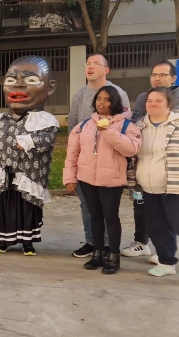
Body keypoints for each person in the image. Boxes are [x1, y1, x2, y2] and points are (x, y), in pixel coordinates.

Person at [64, 85, 141, 274]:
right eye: (99, 99)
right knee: (95, 217)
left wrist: (107, 131)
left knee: (111, 218)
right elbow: (72, 153)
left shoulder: (126, 126)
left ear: (114, 102)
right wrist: (70, 178)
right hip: (87, 179)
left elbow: (131, 149)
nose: (101, 102)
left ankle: (113, 256)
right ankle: (97, 253)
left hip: (111, 180)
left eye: (106, 99)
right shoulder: (83, 125)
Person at [0, 56, 59, 256]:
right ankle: (5, 240)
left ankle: (28, 242)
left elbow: (45, 142)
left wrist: (28, 142)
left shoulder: (46, 121)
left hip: (31, 175)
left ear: (50, 87)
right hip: (8, 174)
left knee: (29, 207)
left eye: (30, 80)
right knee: (7, 206)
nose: (18, 85)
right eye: (11, 80)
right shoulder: (0, 121)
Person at [68, 53, 130, 258]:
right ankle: (92, 243)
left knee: (109, 211)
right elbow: (73, 131)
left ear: (106, 70)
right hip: (86, 163)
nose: (90, 67)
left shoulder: (119, 92)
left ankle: (108, 246)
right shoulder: (79, 95)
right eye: (87, 63)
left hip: (109, 162)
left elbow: (126, 125)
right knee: (88, 207)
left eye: (96, 63)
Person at [124, 60, 179, 259]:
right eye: (154, 74)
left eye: (163, 75)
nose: (157, 78)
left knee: (172, 217)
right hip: (146, 174)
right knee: (149, 214)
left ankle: (166, 250)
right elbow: (138, 124)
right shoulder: (142, 99)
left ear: (173, 78)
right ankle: (150, 247)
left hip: (172, 176)